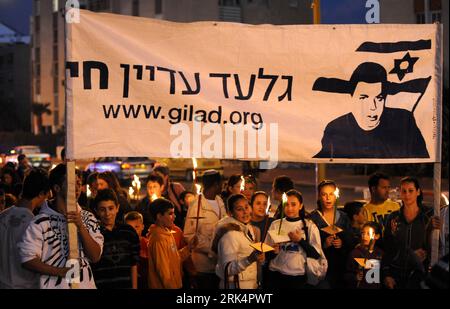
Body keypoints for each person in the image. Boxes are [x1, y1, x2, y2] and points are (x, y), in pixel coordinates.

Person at [313, 62, 429, 159]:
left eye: (379, 98)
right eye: (364, 98)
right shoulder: (336, 128)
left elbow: (422, 155)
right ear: (351, 98)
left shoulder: (403, 121)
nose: (373, 107)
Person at [18, 164, 103, 289]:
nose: (77, 188)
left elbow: (95, 256)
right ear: (57, 188)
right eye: (72, 184)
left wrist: (81, 226)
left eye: (79, 183)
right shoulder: (40, 222)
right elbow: (27, 260)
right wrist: (60, 272)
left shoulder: (88, 217)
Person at [383, 176, 441, 289]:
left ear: (418, 192)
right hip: (396, 274)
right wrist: (386, 274)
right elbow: (387, 248)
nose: (407, 195)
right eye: (404, 191)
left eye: (411, 190)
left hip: (421, 274)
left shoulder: (429, 215)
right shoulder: (393, 218)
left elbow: (438, 246)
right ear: (400, 193)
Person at [264, 189, 327, 289]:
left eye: (293, 204)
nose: (289, 208)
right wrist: (273, 252)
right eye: (287, 204)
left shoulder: (309, 225)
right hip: (276, 274)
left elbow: (315, 254)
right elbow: (265, 255)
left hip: (298, 276)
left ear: (300, 206)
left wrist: (300, 241)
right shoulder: (275, 224)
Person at [0, 169, 50, 288]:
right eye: (47, 195)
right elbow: (31, 262)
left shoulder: (2, 215)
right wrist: (62, 271)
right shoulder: (33, 224)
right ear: (41, 193)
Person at [183, 169, 227, 289]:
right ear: (216, 184)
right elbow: (189, 235)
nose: (223, 186)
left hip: (220, 265)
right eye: (221, 183)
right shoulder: (196, 206)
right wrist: (212, 249)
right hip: (203, 267)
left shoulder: (220, 202)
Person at [212, 194, 264, 289]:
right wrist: (249, 260)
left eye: (246, 207)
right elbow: (227, 269)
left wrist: (259, 257)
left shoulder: (247, 227)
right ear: (230, 213)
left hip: (250, 284)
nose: (245, 212)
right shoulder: (230, 234)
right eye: (239, 209)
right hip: (235, 285)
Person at [91, 188, 140, 289]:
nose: (107, 213)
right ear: (96, 211)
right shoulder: (93, 233)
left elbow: (133, 264)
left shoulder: (129, 232)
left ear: (117, 208)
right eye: (102, 209)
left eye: (111, 208)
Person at [309, 180, 353, 288]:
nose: (328, 198)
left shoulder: (343, 217)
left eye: (331, 194)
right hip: (322, 268)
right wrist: (323, 245)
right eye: (324, 194)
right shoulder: (313, 218)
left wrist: (342, 243)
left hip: (341, 267)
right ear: (319, 197)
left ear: (336, 196)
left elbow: (351, 240)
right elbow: (309, 245)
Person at [147, 198, 197, 289]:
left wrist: (189, 248)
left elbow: (175, 258)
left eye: (174, 213)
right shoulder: (158, 239)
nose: (174, 216)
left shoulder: (167, 234)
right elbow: (163, 272)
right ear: (159, 216)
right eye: (170, 213)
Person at [344, 222, 383, 289]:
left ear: (377, 236)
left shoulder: (380, 253)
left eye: (368, 234)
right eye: (363, 233)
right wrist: (355, 277)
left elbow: (382, 274)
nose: (364, 236)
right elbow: (346, 274)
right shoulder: (354, 253)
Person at [124, 211, 149, 289]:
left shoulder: (147, 244)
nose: (133, 231)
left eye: (136, 227)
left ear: (142, 226)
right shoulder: (123, 245)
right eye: (129, 227)